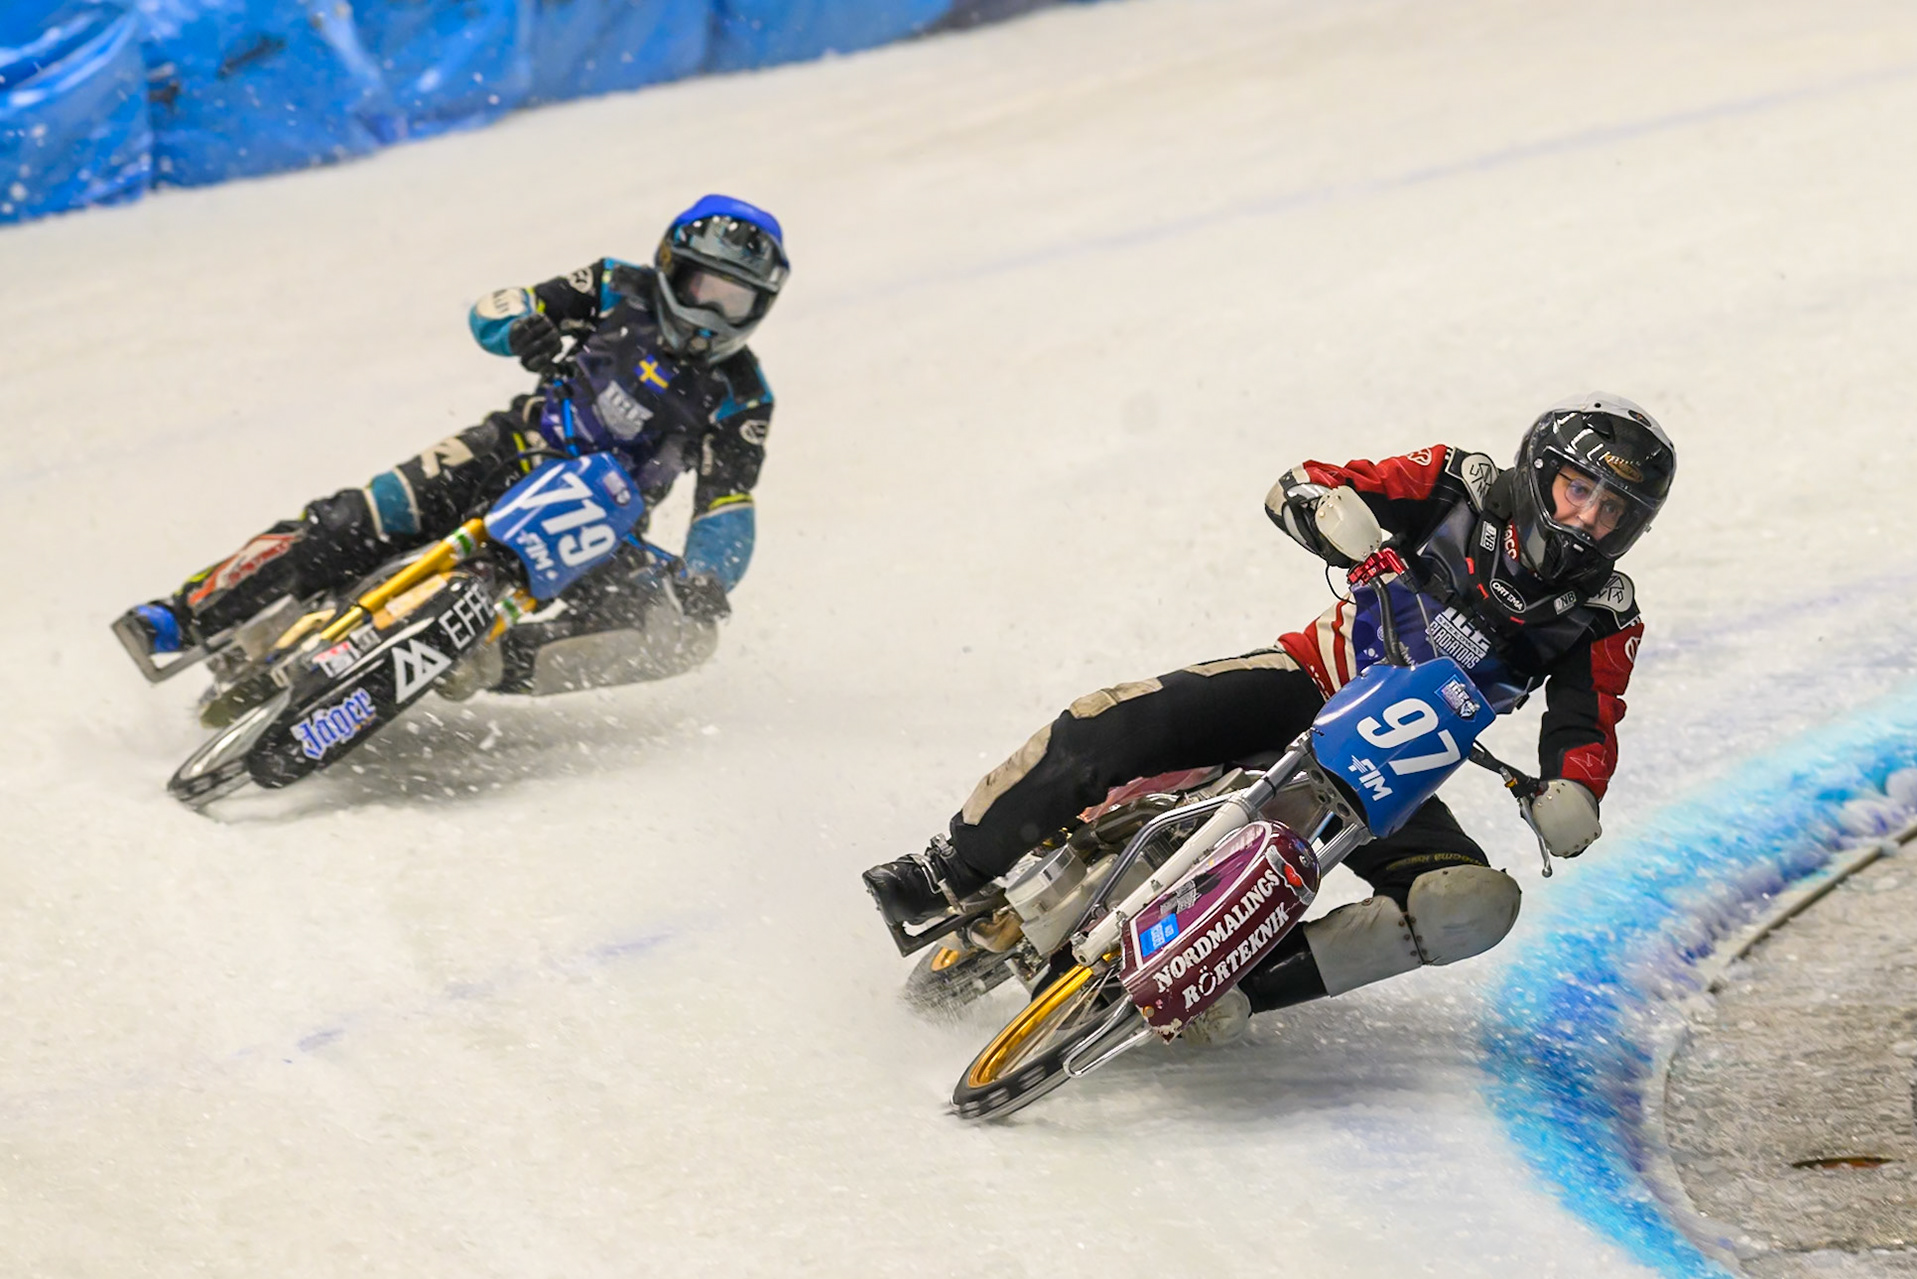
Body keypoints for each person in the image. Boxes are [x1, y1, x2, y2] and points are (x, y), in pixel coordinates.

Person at [862, 393, 1675, 1041]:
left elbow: (1588, 723)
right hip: (1308, 681)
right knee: (1102, 724)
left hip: (1400, 771)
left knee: (1472, 902)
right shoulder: (1458, 481)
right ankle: (948, 869)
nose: (1588, 522)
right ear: (1540, 473)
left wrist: (1575, 791)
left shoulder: (1606, 613)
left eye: (1615, 512)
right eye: (1579, 491)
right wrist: (1328, 513)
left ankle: (1243, 990)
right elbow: (1303, 482)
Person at [116, 194, 787, 697]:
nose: (712, 315)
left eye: (737, 301)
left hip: (602, 520)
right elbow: (497, 306)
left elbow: (728, 500)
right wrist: (525, 326)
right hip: (515, 447)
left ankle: (493, 660)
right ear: (672, 267)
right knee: (359, 518)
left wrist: (707, 578)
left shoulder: (743, 393)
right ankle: (184, 614)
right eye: (707, 288)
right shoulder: (616, 286)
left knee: (685, 635)